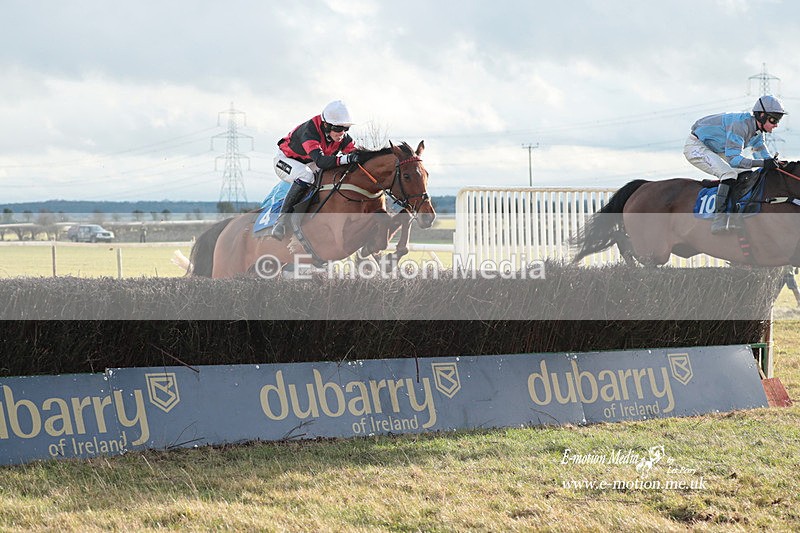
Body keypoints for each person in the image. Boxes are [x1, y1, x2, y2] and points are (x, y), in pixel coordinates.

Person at [684, 95, 788, 234]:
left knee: (746, 174)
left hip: (717, 147)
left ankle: (735, 217)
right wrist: (763, 163)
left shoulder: (757, 134)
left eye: (778, 120)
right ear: (761, 116)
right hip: (697, 146)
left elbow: (764, 157)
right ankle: (719, 220)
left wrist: (776, 164)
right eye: (773, 119)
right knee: (729, 173)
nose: (776, 124)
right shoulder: (740, 126)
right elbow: (735, 160)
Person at [270, 100, 361, 241]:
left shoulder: (341, 136)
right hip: (285, 160)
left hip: (308, 162)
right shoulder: (310, 131)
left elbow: (357, 153)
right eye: (338, 129)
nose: (342, 133)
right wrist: (346, 159)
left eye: (346, 129)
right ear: (326, 125)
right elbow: (320, 161)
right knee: (305, 175)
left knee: (327, 176)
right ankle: (281, 222)